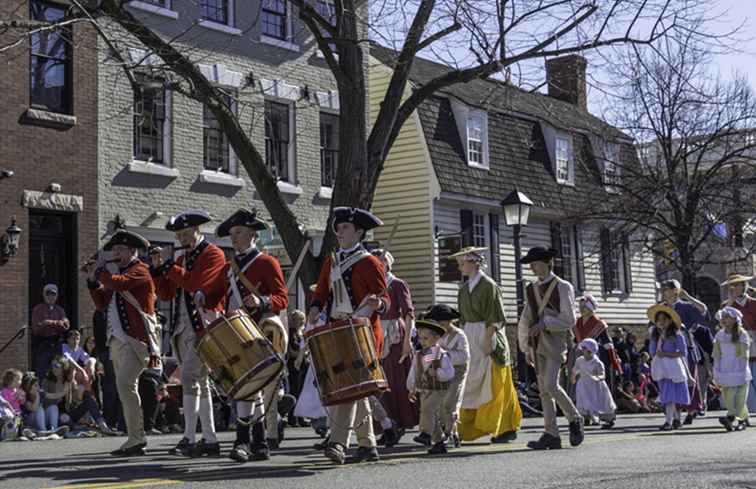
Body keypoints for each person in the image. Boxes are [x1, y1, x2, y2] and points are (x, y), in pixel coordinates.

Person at [308, 207, 389, 465]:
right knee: (357, 389)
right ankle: (368, 445)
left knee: (350, 387)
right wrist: (314, 308)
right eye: (338, 228)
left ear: (359, 232)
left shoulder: (370, 262)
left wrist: (379, 304)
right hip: (337, 329)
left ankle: (338, 443)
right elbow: (321, 292)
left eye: (345, 228)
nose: (339, 232)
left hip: (362, 332)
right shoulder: (332, 261)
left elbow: (384, 298)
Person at [215, 208, 289, 463]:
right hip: (235, 331)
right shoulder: (229, 266)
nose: (234, 238)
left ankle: (242, 440)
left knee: (246, 388)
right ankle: (259, 442)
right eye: (232, 234)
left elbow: (282, 298)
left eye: (239, 233)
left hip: (257, 332)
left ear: (252, 235)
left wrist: (262, 300)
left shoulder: (267, 263)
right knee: (250, 389)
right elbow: (220, 296)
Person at [151, 210, 227, 457]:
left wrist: (171, 266)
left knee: (190, 380)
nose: (183, 238)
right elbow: (166, 294)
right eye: (179, 234)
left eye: (186, 233)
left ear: (198, 230)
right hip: (183, 327)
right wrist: (158, 269)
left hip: (202, 326)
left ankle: (189, 438)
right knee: (199, 383)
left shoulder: (213, 253)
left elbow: (196, 285)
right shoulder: (182, 259)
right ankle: (211, 439)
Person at [85, 229, 157, 456]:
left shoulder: (140, 270)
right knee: (125, 387)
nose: (115, 253)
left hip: (137, 340)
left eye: (120, 249)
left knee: (125, 384)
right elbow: (102, 302)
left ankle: (137, 437)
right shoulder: (119, 273)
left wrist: (100, 270)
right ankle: (135, 437)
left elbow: (120, 284)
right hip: (117, 340)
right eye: (114, 249)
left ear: (132, 251)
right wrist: (91, 279)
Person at [450, 246, 522, 445]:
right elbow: (462, 318)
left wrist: (488, 339)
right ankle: (466, 428)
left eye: (462, 263)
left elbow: (496, 317)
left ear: (473, 262)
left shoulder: (489, 285)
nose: (460, 267)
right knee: (472, 381)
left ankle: (504, 427)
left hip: (486, 334)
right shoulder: (464, 289)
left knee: (494, 382)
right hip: (470, 335)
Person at [517, 246, 582, 450]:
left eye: (535, 264)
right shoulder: (531, 289)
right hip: (536, 344)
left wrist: (545, 324)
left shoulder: (563, 287)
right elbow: (526, 319)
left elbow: (569, 319)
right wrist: (525, 346)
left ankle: (574, 418)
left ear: (546, 263)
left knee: (551, 385)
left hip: (555, 342)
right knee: (544, 391)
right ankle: (551, 433)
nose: (533, 268)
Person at [371, 249, 418, 447]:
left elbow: (409, 313)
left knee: (396, 381)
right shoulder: (374, 286)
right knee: (380, 383)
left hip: (395, 336)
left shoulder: (397, 284)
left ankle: (400, 422)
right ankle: (387, 423)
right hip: (375, 332)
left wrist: (407, 341)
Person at [660, 279, 708, 424]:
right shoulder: (661, 308)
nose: (665, 292)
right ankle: (676, 412)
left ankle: (692, 408)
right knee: (671, 379)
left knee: (688, 378)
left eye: (668, 289)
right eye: (664, 289)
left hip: (685, 345)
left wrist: (687, 296)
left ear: (676, 290)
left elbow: (703, 310)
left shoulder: (685, 306)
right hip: (667, 348)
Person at [422, 305, 469, 449]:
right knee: (440, 404)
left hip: (458, 371)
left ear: (450, 321)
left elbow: (464, 356)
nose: (440, 327)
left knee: (450, 402)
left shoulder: (460, 335)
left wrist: (446, 355)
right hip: (441, 371)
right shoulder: (438, 335)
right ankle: (450, 431)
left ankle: (448, 432)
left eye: (443, 324)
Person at [406, 319, 455, 454]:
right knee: (429, 414)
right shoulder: (418, 355)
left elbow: (450, 373)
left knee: (427, 410)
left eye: (426, 338)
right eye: (420, 338)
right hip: (424, 389)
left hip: (438, 389)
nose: (422, 341)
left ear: (436, 338)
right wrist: (412, 388)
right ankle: (439, 442)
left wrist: (439, 373)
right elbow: (414, 372)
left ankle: (425, 434)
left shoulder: (441, 354)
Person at [647, 304, 691, 431]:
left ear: (670, 320)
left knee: (671, 395)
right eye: (658, 320)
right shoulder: (655, 335)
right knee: (667, 395)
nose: (661, 322)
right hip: (661, 367)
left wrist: (666, 354)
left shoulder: (677, 335)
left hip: (673, 367)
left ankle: (669, 421)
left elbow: (683, 352)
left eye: (664, 319)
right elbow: (652, 351)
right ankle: (676, 419)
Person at [720, 274, 756, 413]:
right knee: (743, 378)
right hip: (735, 343)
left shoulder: (754, 302)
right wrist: (731, 301)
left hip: (754, 341)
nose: (734, 288)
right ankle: (748, 410)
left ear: (744, 286)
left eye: (737, 285)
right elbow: (722, 320)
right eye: (731, 286)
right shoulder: (726, 305)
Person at [712, 306, 751, 431]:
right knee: (728, 396)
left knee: (739, 397)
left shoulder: (742, 334)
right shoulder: (719, 335)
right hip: (725, 369)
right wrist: (716, 370)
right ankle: (738, 417)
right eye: (723, 317)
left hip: (738, 368)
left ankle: (735, 418)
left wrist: (742, 370)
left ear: (735, 319)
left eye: (727, 317)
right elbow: (717, 354)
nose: (723, 319)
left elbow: (744, 354)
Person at [573, 295, 621, 391]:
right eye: (580, 307)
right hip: (580, 356)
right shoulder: (577, 323)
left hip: (595, 356)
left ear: (591, 308)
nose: (581, 309)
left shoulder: (599, 324)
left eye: (584, 307)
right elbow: (575, 340)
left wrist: (613, 360)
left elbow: (607, 343)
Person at [571, 339, 616, 429]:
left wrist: (597, 378)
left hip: (596, 386)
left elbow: (603, 375)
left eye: (584, 348)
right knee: (583, 401)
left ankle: (608, 419)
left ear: (590, 350)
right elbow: (575, 370)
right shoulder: (580, 360)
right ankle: (586, 417)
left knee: (599, 402)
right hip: (584, 385)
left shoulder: (597, 362)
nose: (582, 350)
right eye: (582, 348)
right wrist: (573, 377)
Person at [30, 284, 70, 379]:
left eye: (53, 294)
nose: (50, 296)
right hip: (43, 345)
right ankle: (42, 393)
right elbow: (36, 329)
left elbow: (66, 326)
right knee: (42, 373)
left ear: (56, 296)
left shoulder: (60, 310)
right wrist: (57, 324)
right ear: (44, 295)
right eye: (48, 294)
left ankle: (56, 394)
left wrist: (48, 323)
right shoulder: (37, 309)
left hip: (57, 344)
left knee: (58, 372)